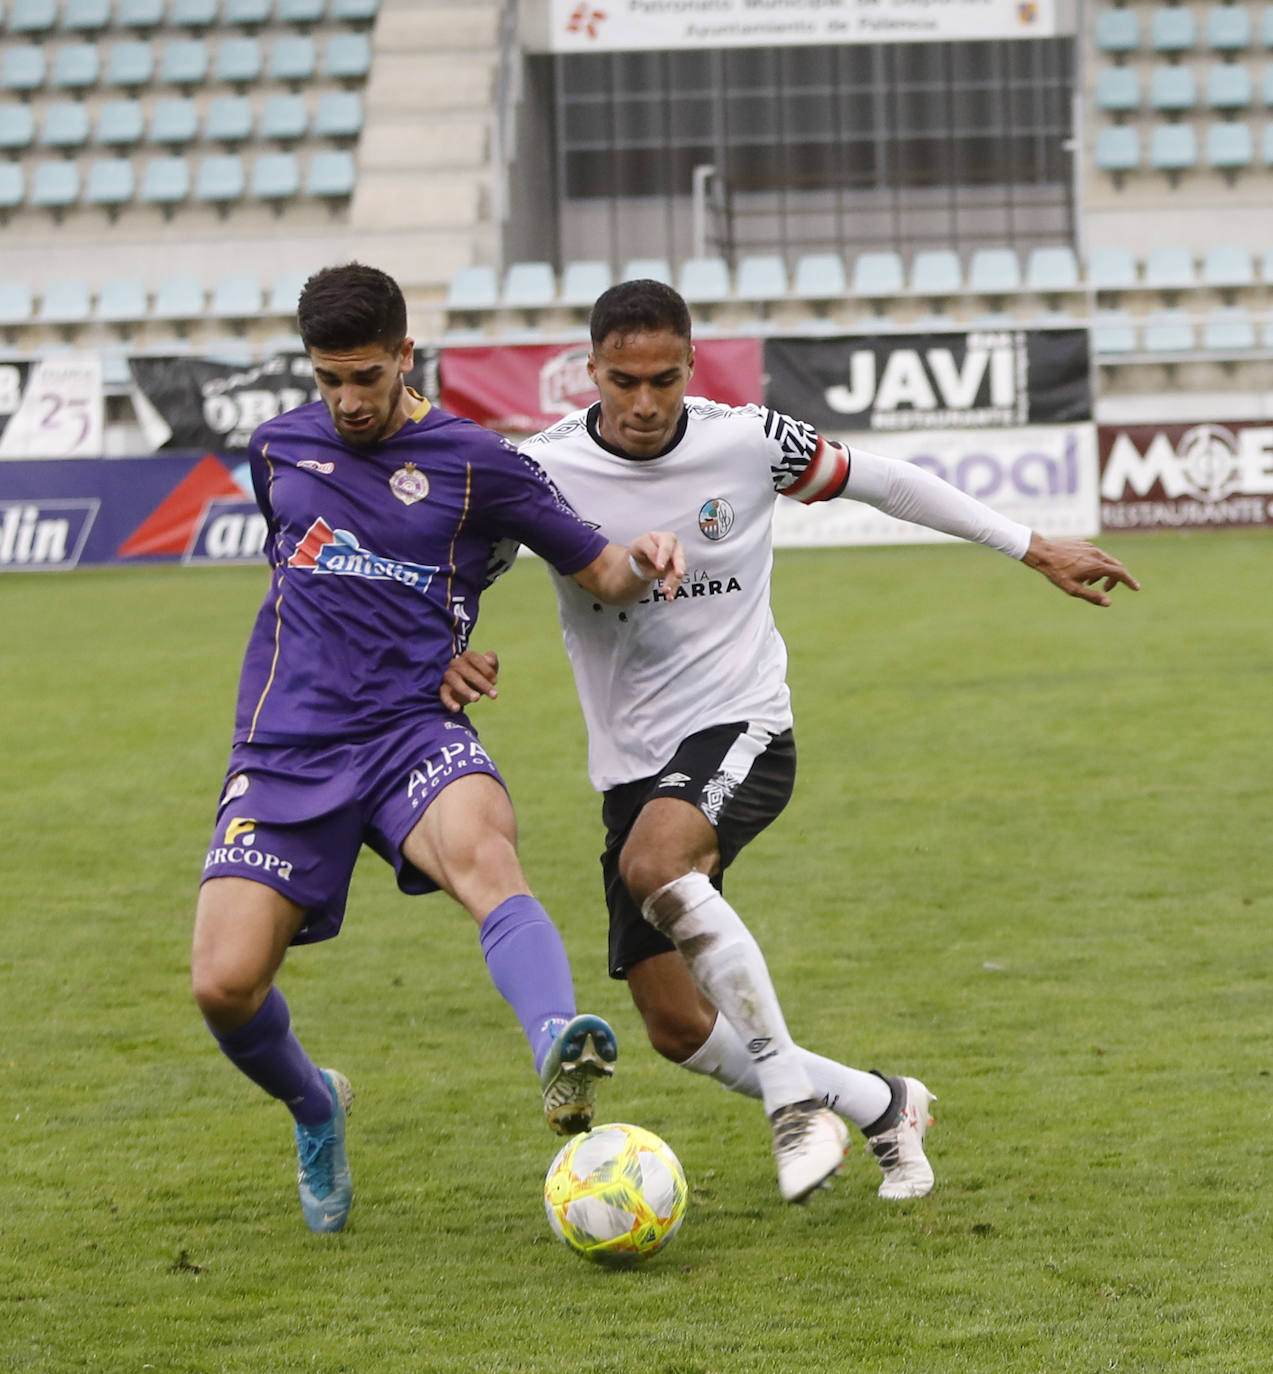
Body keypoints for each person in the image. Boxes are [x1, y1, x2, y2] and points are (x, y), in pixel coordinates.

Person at [443, 278, 1140, 1205]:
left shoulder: (748, 441)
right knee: (674, 1025)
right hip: (631, 764)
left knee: (657, 862)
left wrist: (1031, 545)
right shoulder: (544, 469)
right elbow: (463, 568)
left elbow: (886, 480)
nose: (643, 402)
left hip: (742, 726)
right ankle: (882, 1102)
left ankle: (789, 1102)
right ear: (589, 373)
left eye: (662, 378)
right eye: (622, 381)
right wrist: (444, 652)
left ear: (690, 367)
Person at [190, 263, 685, 1234]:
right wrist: (437, 632)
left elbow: (596, 566)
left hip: (412, 730)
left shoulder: (476, 463)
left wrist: (645, 557)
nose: (346, 401)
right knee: (223, 986)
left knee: (485, 856)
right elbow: (310, 583)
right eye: (328, 378)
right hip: (287, 746)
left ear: (405, 357)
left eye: (366, 377)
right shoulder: (279, 450)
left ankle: (559, 1047)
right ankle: (314, 1104)